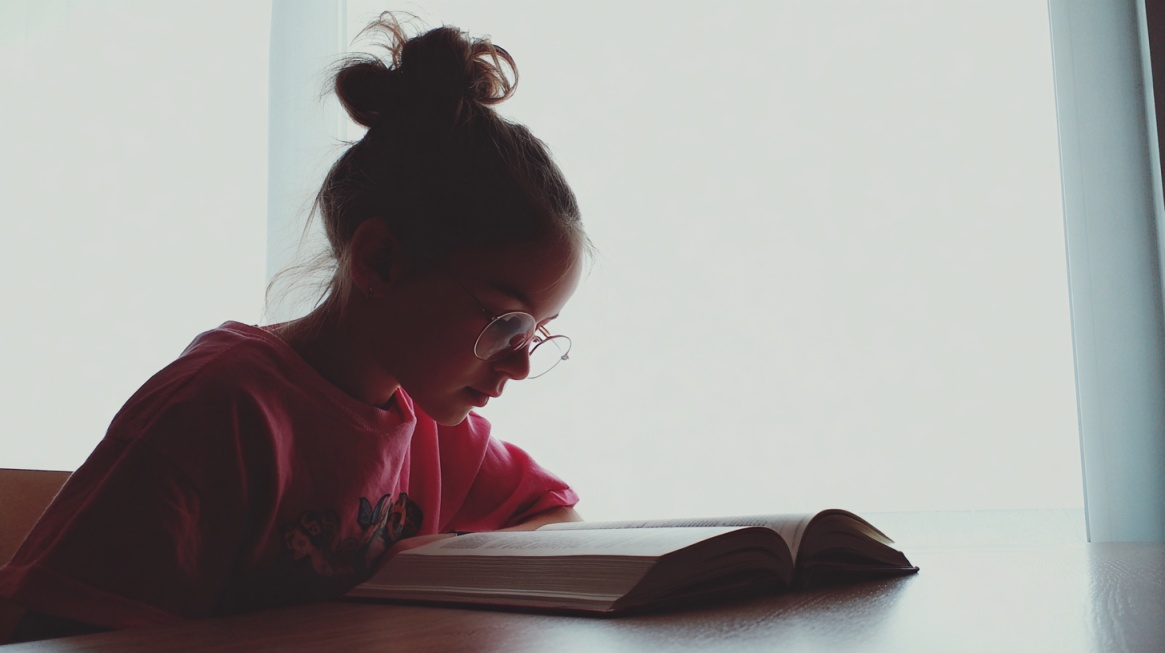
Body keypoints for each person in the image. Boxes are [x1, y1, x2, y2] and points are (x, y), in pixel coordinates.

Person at [0, 14, 588, 642]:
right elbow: (56, 638)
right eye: (505, 324)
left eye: (537, 335)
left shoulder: (436, 429)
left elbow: (558, 515)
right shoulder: (218, 412)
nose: (521, 366)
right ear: (380, 262)